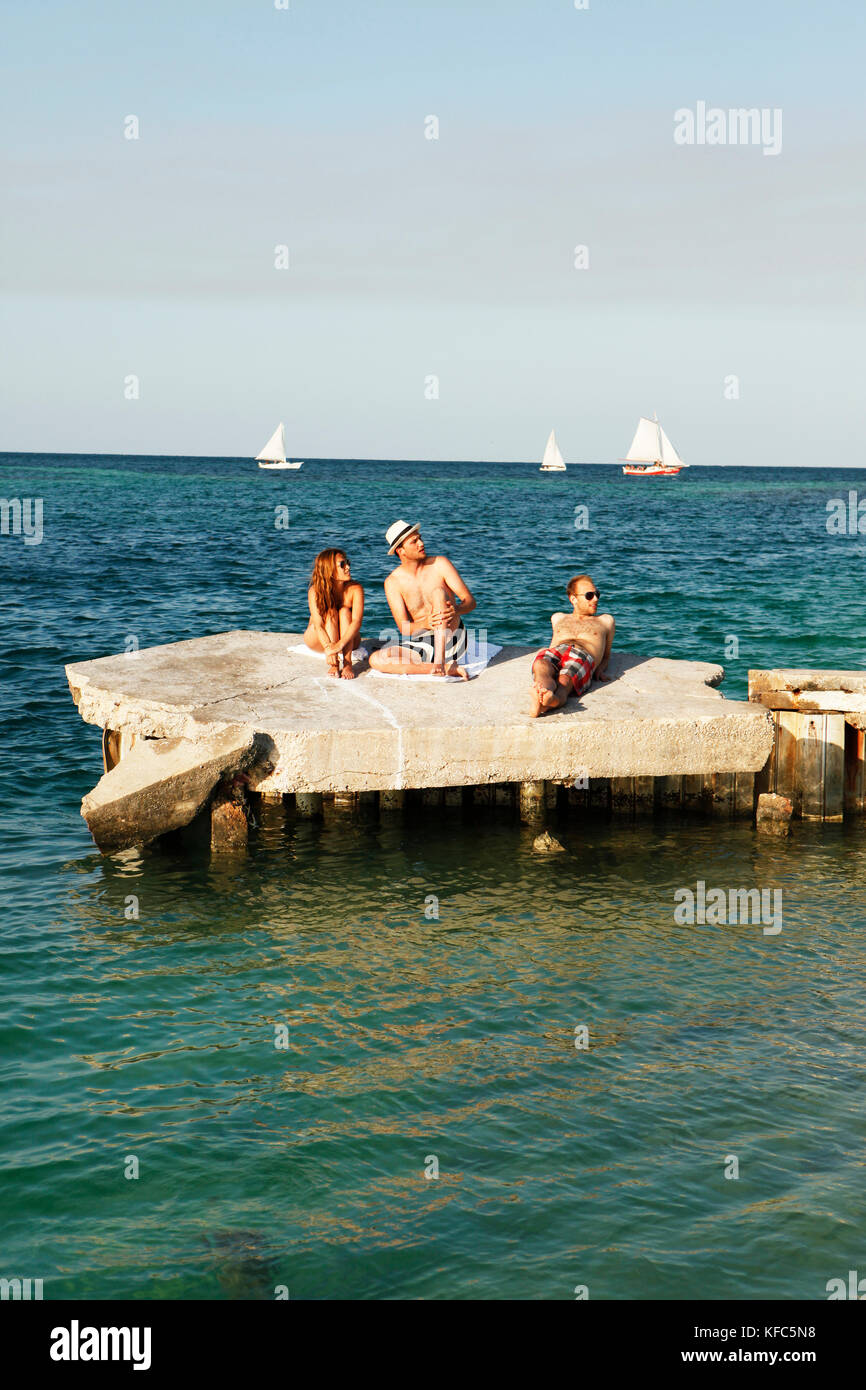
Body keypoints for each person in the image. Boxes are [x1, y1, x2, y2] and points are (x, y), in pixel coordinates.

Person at [368, 520, 476, 678]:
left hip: (453, 637)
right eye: (414, 541)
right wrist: (426, 623)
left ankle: (439, 661)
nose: (421, 543)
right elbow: (404, 628)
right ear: (401, 551)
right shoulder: (393, 582)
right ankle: (445, 668)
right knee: (376, 659)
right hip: (425, 643)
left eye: (420, 538)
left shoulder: (440, 564)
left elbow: (470, 601)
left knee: (438, 593)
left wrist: (456, 610)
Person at [529, 574, 614, 717]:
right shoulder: (558, 617)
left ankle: (551, 701)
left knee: (565, 680)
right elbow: (552, 646)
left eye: (597, 594)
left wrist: (600, 669)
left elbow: (606, 655)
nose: (596, 599)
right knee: (541, 664)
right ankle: (542, 694)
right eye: (589, 595)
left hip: (583, 654)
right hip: (557, 650)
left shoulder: (605, 621)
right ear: (573, 599)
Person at [303, 548, 364, 679]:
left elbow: (357, 622)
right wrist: (329, 648)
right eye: (342, 564)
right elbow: (319, 625)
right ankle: (334, 663)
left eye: (347, 562)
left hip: (347, 640)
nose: (347, 567)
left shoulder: (355, 589)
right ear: (329, 570)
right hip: (319, 638)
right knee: (330, 612)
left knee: (344, 611)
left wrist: (339, 646)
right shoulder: (315, 591)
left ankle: (347, 664)